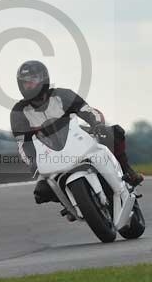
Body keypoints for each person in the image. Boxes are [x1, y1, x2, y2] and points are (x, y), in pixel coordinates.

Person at [9, 60, 143, 205]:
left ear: (43, 78)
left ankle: (127, 170)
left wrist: (97, 124)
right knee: (41, 193)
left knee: (114, 132)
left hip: (77, 137)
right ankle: (70, 203)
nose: (28, 85)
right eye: (25, 82)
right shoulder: (18, 112)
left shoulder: (62, 95)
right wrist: (32, 162)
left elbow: (87, 111)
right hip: (49, 153)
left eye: (32, 80)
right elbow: (23, 144)